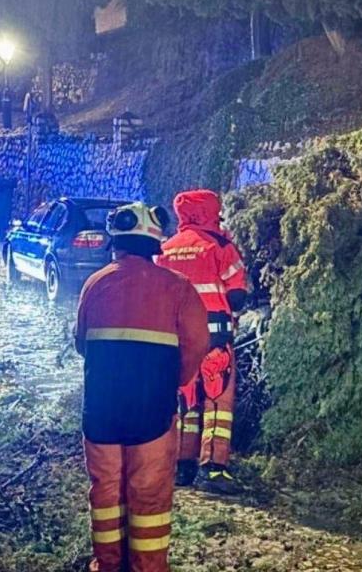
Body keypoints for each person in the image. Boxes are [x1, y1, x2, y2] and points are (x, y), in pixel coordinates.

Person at [75, 202, 209, 571]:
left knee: (105, 493)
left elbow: (80, 342)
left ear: (115, 243)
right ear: (155, 246)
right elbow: (198, 343)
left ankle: (107, 564)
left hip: (100, 411)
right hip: (153, 412)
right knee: (147, 496)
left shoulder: (94, 283)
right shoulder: (178, 288)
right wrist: (173, 382)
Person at [156, 189, 248, 494]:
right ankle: (213, 467)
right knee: (217, 401)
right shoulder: (220, 246)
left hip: (177, 340)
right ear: (211, 211)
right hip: (215, 337)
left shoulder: (165, 249)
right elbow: (237, 296)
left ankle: (181, 466)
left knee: (185, 401)